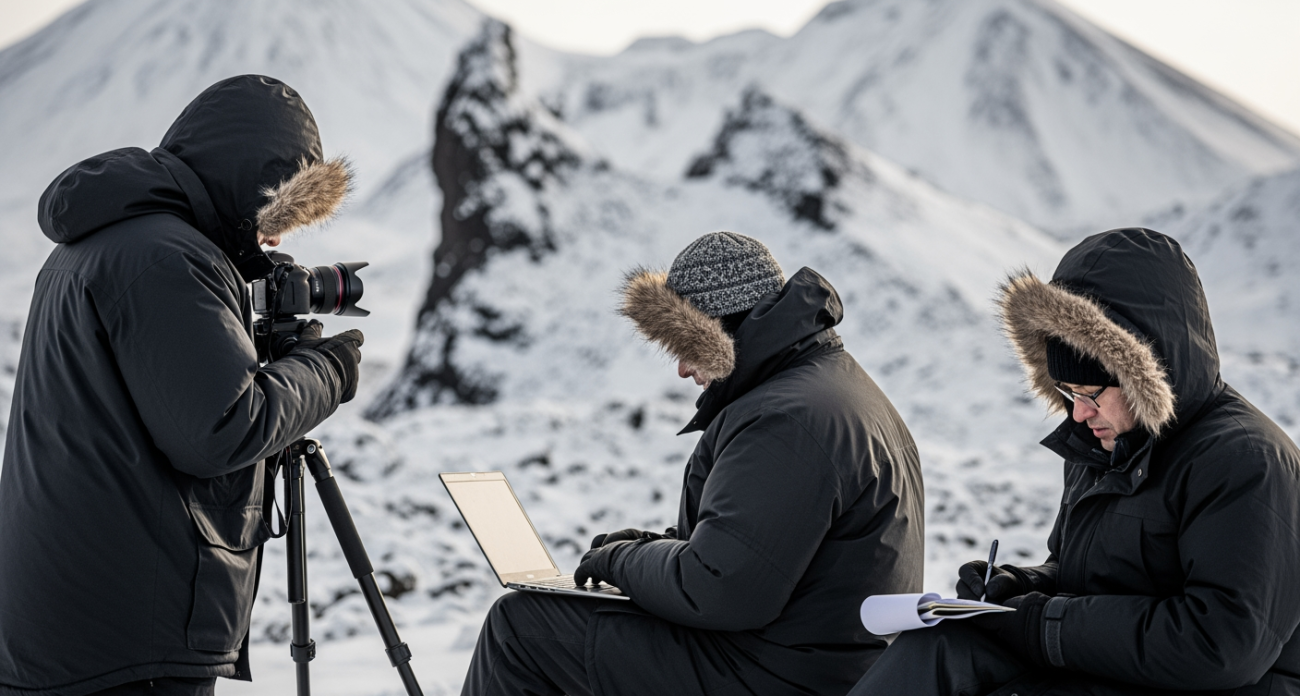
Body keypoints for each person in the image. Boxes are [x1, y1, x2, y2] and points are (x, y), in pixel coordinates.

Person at [0, 75, 364, 696]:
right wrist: (326, 370)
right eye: (276, 215)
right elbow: (221, 430)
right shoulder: (167, 258)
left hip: (73, 619)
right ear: (248, 186)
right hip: (124, 640)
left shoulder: (103, 240)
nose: (275, 240)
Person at [461, 231, 926, 695]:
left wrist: (621, 561)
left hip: (781, 676)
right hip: (825, 664)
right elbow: (758, 558)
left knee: (521, 629)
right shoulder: (834, 389)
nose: (682, 368)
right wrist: (652, 546)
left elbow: (719, 590)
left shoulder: (785, 420)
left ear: (722, 328)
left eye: (685, 342)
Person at [850, 228, 1300, 695]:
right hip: (1114, 671)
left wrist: (1042, 623)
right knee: (941, 645)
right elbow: (1082, 576)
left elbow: (1220, 646)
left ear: (1145, 372)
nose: (1079, 414)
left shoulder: (1247, 461)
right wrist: (1017, 587)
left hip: (1208, 686)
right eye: (1067, 394)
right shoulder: (1106, 445)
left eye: (1091, 395)